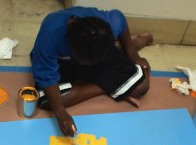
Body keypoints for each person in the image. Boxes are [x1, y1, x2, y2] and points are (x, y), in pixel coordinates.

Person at [30, 7, 153, 137]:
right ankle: (109, 84)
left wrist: (133, 55)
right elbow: (46, 77)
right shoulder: (50, 34)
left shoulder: (106, 26)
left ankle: (125, 50)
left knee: (141, 86)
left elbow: (120, 19)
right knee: (43, 99)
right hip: (63, 60)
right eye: (83, 60)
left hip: (97, 53)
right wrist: (61, 113)